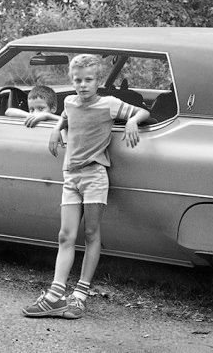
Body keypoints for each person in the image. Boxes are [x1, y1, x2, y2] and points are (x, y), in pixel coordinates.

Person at [22, 54, 149, 319]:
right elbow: (67, 114)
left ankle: (79, 294)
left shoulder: (109, 104)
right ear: (72, 80)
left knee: (91, 234)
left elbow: (142, 111)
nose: (82, 85)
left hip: (95, 177)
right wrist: (57, 127)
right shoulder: (69, 101)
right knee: (65, 236)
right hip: (71, 177)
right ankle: (55, 296)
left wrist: (133, 121)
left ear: (98, 81)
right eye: (78, 80)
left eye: (88, 80)